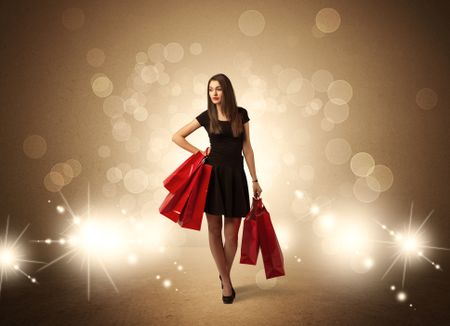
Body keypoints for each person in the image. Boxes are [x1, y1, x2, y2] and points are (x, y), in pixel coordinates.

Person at [171, 73, 262, 304]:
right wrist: (199, 153)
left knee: (232, 236)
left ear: (226, 91)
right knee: (214, 230)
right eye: (211, 89)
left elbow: (247, 148)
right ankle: (227, 284)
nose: (214, 93)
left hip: (236, 178)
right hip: (211, 178)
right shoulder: (207, 115)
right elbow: (177, 136)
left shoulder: (241, 114)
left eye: (218, 89)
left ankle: (224, 277)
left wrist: (254, 179)